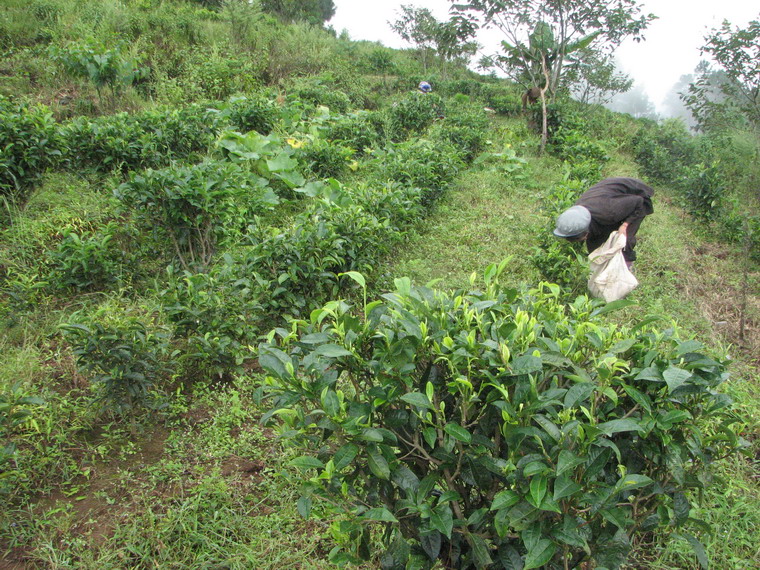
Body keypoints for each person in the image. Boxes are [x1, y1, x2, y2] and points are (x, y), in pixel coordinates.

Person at [553, 177, 655, 267]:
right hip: (607, 198)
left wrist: (625, 225)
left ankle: (625, 271)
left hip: (636, 195)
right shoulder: (578, 214)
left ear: (585, 232)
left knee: (623, 240)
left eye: (581, 239)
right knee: (595, 244)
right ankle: (602, 270)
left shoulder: (610, 212)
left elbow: (638, 202)